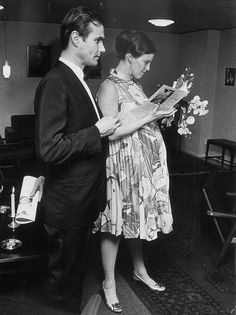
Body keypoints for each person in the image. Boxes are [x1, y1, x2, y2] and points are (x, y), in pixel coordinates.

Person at [34, 6, 120, 313]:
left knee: (72, 282)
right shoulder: (57, 81)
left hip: (80, 203)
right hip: (68, 208)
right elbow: (49, 148)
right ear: (75, 38)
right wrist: (97, 130)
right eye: (97, 40)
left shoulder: (77, 78)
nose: (103, 48)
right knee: (65, 293)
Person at [94, 30, 173, 313]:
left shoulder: (136, 86)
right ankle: (108, 283)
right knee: (115, 224)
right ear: (130, 57)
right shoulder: (109, 87)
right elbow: (111, 133)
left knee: (136, 219)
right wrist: (150, 115)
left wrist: (161, 114)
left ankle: (140, 270)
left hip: (142, 167)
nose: (148, 67)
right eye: (146, 62)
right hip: (120, 168)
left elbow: (141, 120)